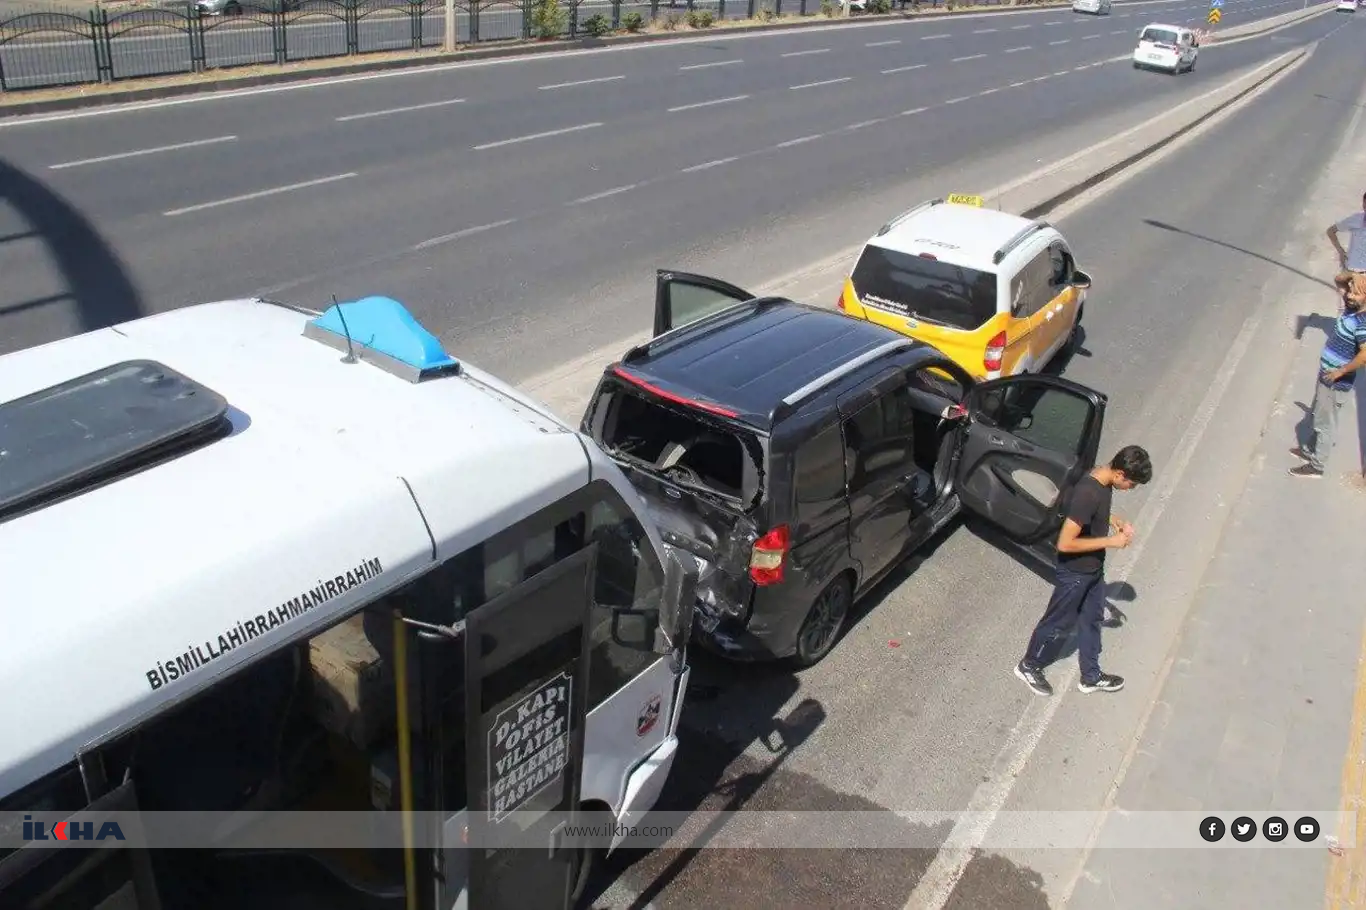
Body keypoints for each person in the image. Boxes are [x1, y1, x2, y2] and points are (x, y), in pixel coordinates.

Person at [1014, 445, 1153, 697]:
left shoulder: (1102, 479)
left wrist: (1115, 520)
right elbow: (1065, 543)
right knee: (1057, 621)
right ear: (1120, 473)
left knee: (1092, 620)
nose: (1132, 489)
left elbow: (1094, 513)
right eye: (1132, 484)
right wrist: (1111, 542)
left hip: (1093, 570)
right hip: (1076, 573)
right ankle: (1029, 665)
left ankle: (1091, 676)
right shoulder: (1088, 493)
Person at [1289, 280, 1366, 478]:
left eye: (1355, 294)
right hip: (1326, 375)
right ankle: (1309, 451)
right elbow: (1340, 279)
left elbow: (1364, 355)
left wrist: (1340, 372)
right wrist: (1355, 279)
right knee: (1317, 414)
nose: (1349, 296)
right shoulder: (1351, 310)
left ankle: (1317, 466)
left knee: (1325, 424)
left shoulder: (1362, 322)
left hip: (1335, 381)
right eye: (1350, 292)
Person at [1328, 193, 1366, 308]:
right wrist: (1340, 251)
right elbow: (1331, 231)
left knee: (1359, 306)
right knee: (1340, 283)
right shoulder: (1357, 219)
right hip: (1351, 268)